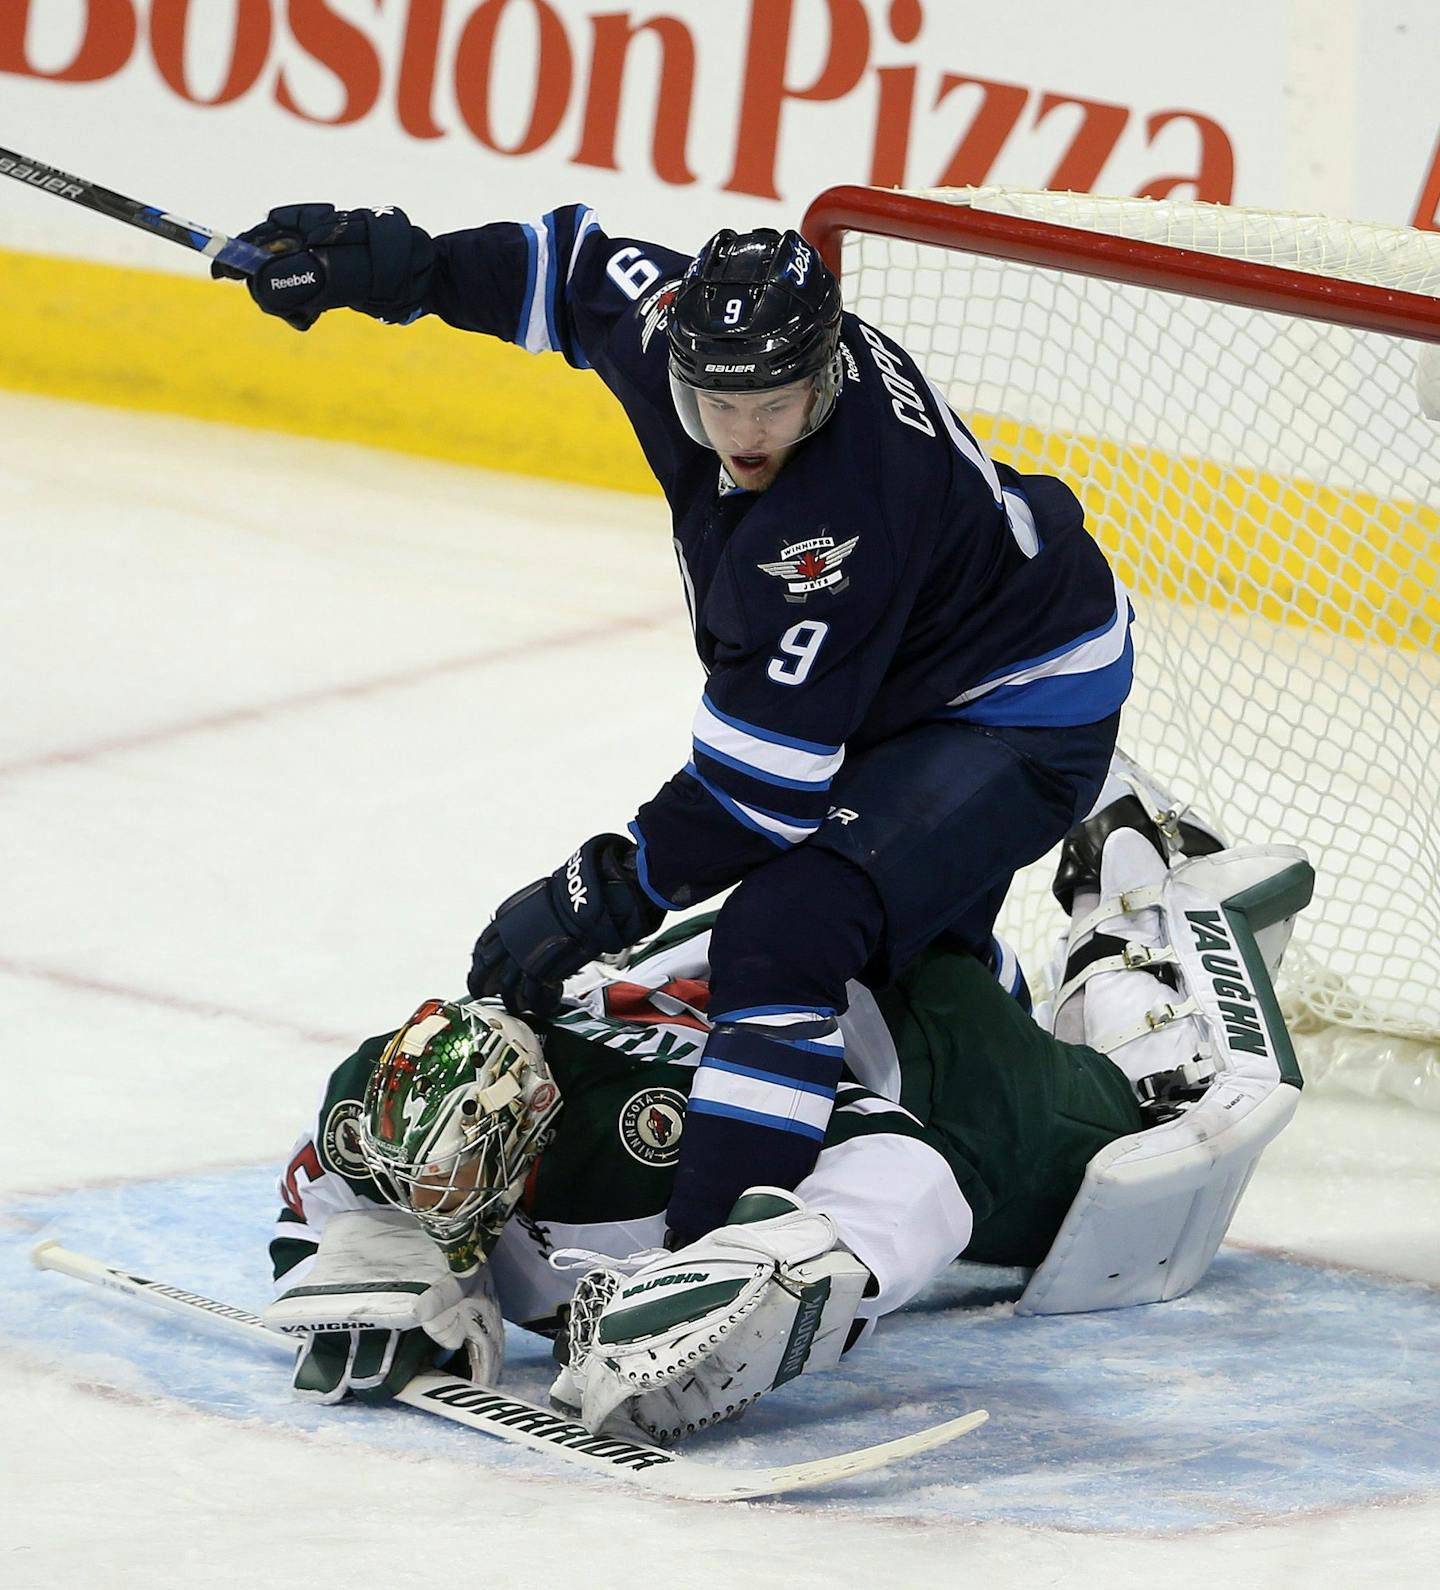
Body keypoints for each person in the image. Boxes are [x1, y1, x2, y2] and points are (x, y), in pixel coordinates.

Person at [220, 200, 1134, 1248]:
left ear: (825, 377)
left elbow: (761, 798)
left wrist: (598, 894)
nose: (744, 437)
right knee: (900, 964)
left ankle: (709, 1252)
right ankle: (1026, 1018)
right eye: (717, 406)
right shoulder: (688, 337)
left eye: (777, 406)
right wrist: (399, 269)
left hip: (1018, 706)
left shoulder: (832, 526)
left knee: (787, 933)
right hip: (913, 674)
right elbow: (570, 273)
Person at [265, 770, 1312, 1441]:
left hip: (938, 1067)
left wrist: (777, 1277)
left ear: (526, 1126)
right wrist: (365, 1248)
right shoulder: (423, 1086)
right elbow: (337, 1173)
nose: (430, 1199)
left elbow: (915, 1177)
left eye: (453, 1177)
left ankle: (1134, 881)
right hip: (789, 957)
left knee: (1137, 1119)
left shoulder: (638, 1128)